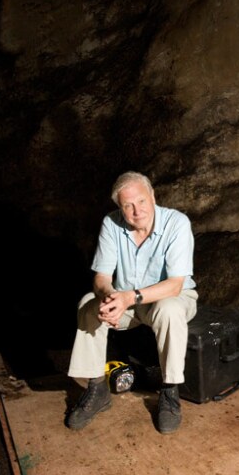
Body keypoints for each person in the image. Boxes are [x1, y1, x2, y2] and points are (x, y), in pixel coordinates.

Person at [65, 171, 198, 434]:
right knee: (88, 304)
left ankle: (170, 393)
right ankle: (97, 388)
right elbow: (102, 277)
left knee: (169, 309)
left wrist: (129, 297)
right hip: (127, 301)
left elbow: (175, 285)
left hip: (172, 298)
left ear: (153, 197)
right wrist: (108, 298)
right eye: (128, 205)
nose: (137, 211)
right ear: (120, 208)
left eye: (141, 201)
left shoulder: (176, 223)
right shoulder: (111, 224)